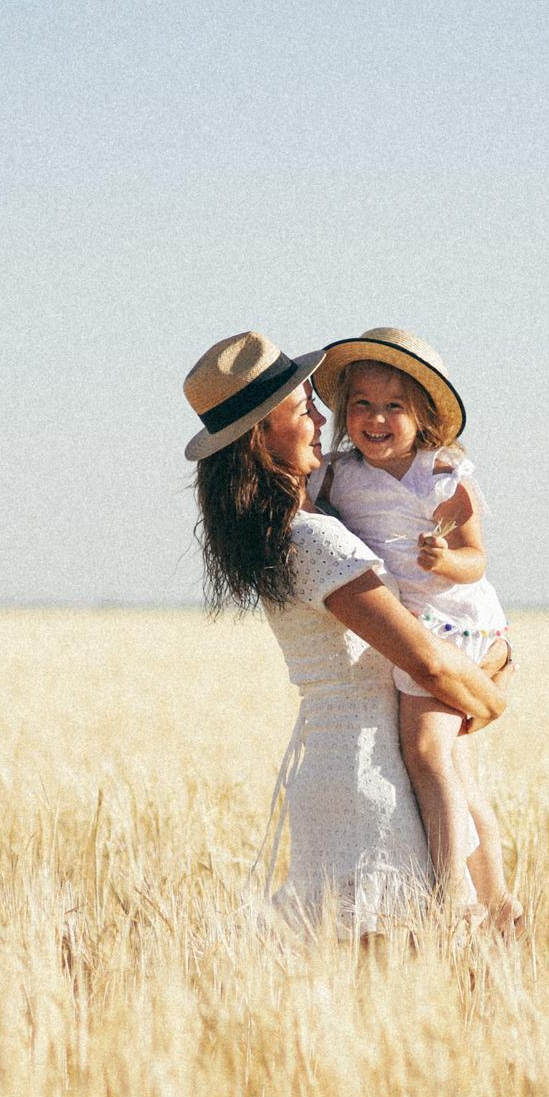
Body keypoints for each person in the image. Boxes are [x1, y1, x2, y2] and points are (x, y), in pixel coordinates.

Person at [184, 330, 512, 935]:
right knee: (391, 963)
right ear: (261, 435)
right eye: (303, 410)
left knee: (366, 975)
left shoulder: (301, 521)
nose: (322, 419)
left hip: (355, 771)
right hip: (371, 782)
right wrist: (492, 695)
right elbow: (428, 664)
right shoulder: (315, 539)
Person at [311, 329, 523, 931]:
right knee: (453, 764)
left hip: (450, 625)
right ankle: (498, 900)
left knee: (427, 752)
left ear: (424, 415)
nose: (375, 419)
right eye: (361, 404)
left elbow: (476, 559)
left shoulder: (443, 476)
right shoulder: (337, 477)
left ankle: (451, 892)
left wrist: (444, 560)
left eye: (393, 406)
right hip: (410, 627)